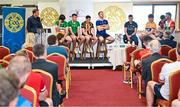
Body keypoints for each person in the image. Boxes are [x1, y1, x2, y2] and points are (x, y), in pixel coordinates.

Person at [146, 42, 180, 107]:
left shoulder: (167, 66)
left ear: (176, 52)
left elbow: (160, 80)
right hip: (177, 97)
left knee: (149, 83)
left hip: (167, 95)